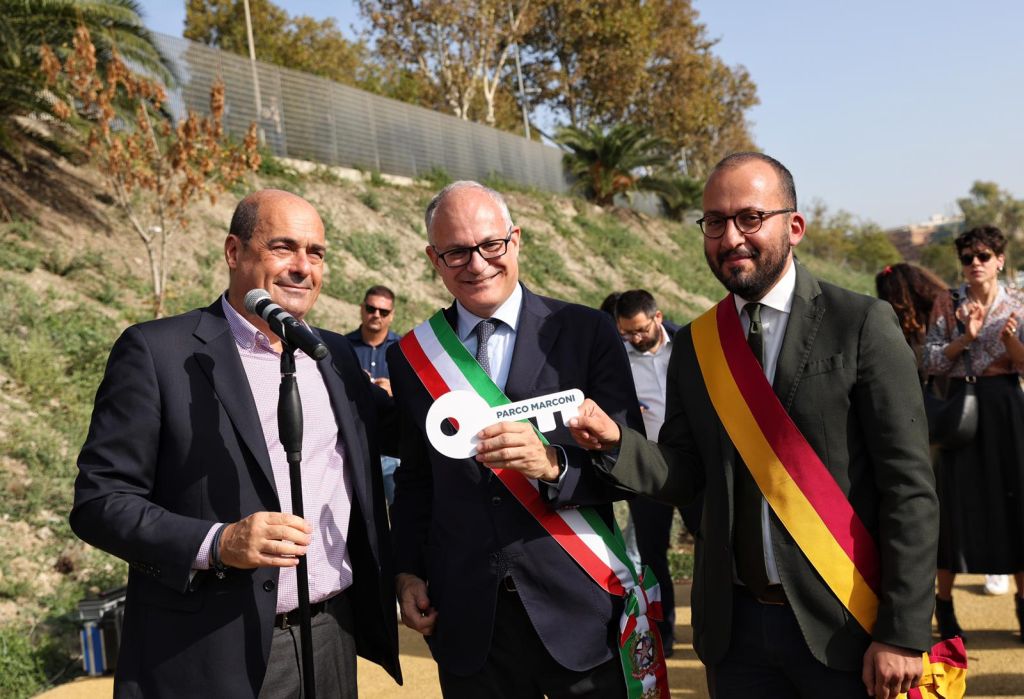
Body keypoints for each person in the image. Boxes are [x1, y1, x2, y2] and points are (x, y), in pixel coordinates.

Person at [565, 153, 939, 698]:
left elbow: (909, 488)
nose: (731, 237)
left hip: (845, 624)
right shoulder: (697, 345)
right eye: (715, 222)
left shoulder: (860, 323)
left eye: (750, 218)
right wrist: (618, 443)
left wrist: (901, 632)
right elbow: (686, 473)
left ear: (794, 226)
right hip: (735, 636)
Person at [70, 189, 401, 697]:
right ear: (233, 251)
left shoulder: (333, 354)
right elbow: (100, 502)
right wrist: (218, 544)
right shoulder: (158, 353)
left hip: (332, 635)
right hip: (213, 647)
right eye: (283, 247)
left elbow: (412, 431)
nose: (302, 267)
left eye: (315, 253)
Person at [386, 181, 645, 697]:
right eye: (456, 252)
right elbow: (417, 480)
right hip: (468, 619)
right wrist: (407, 571)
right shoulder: (412, 357)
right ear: (434, 259)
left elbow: (631, 467)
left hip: (578, 608)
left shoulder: (586, 332)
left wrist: (554, 466)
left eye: (491, 245)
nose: (477, 264)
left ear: (516, 239)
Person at [922, 225, 1024, 643]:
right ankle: (945, 608)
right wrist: (966, 337)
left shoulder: (1018, 303)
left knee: (1015, 506)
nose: (975, 264)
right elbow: (930, 361)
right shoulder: (948, 302)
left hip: (1006, 408)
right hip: (960, 410)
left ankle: (1022, 606)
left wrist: (1011, 343)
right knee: (953, 508)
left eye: (983, 256)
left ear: (1000, 260)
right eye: (967, 258)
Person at [614, 289, 685, 656]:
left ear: (658, 317)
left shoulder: (688, 344)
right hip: (648, 467)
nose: (635, 338)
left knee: (715, 546)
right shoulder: (616, 357)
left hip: (694, 462)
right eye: (627, 332)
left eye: (640, 330)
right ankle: (664, 633)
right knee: (652, 556)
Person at [346, 285, 402, 504]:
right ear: (362, 308)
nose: (376, 315)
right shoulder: (343, 347)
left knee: (400, 509)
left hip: (391, 450)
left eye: (383, 311)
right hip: (354, 445)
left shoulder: (403, 349)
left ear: (392, 315)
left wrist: (395, 389)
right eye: (371, 309)